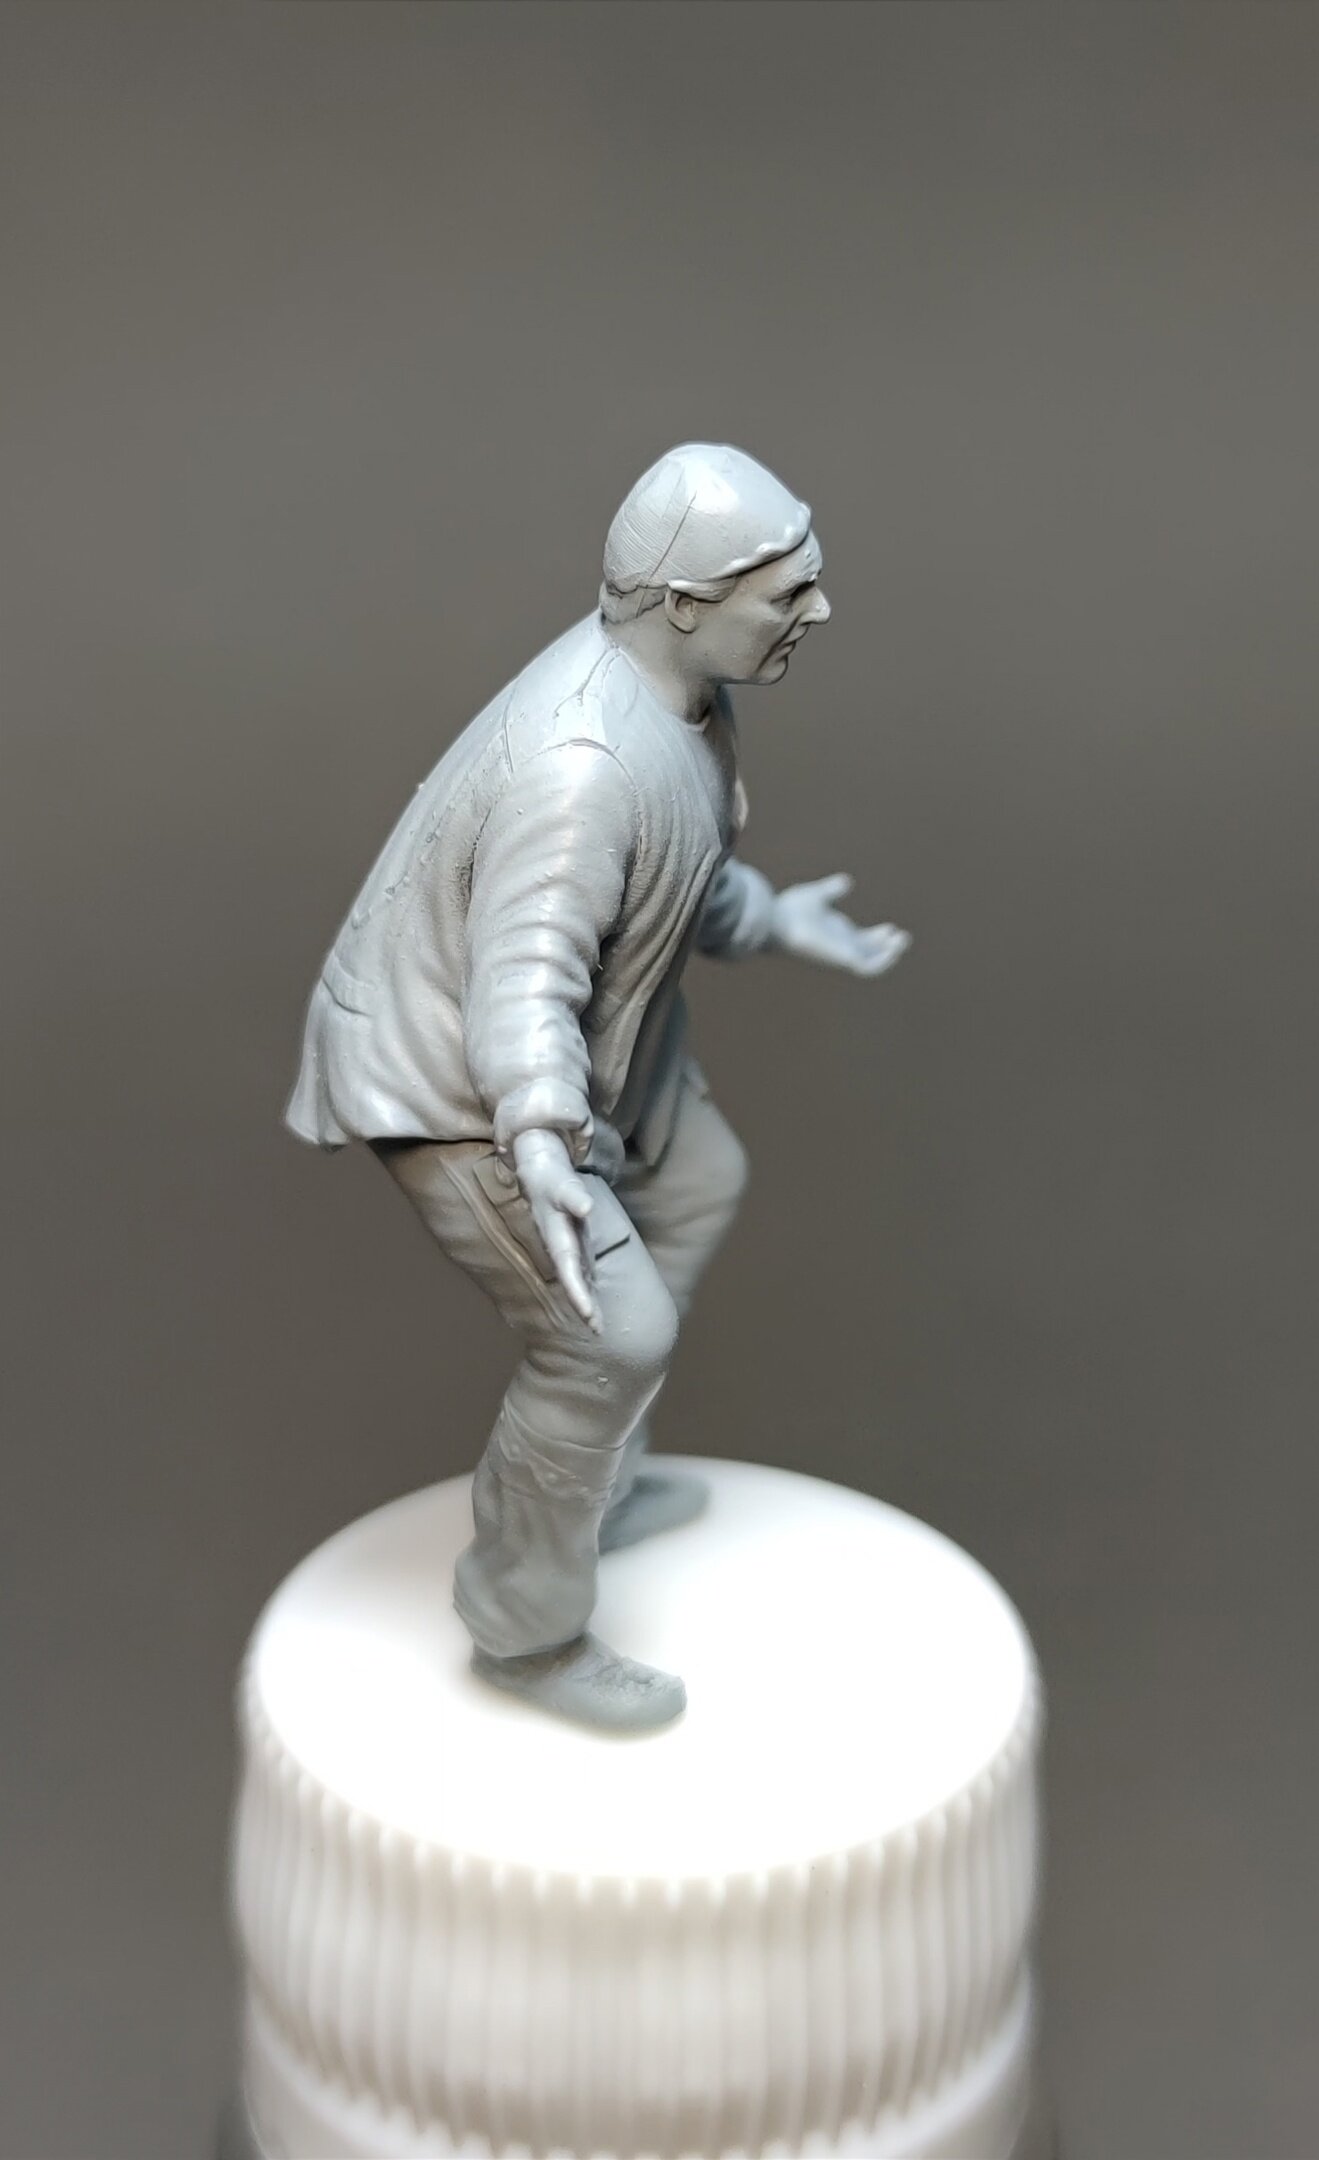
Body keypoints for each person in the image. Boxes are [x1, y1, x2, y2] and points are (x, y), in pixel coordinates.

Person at [286, 444, 910, 1730]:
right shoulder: (579, 765)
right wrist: (540, 1142)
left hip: (593, 1046)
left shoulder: (688, 697)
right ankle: (524, 1627)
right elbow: (524, 980)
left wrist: (773, 920)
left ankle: (597, 1473)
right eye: (787, 590)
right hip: (471, 1087)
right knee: (608, 1336)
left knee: (699, 1183)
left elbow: (671, 876)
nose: (817, 610)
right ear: (683, 602)